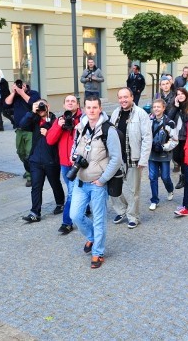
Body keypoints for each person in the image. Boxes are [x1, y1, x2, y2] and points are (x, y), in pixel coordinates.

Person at [70, 96, 122, 269]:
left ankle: (98, 253)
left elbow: (116, 159)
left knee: (99, 219)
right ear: (84, 109)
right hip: (80, 181)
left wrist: (103, 180)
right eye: (88, 107)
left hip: (97, 183)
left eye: (94, 107)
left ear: (100, 108)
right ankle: (92, 237)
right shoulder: (80, 126)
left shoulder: (109, 130)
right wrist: (73, 158)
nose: (91, 110)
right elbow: (74, 147)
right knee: (75, 215)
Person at [110, 88, 152, 229]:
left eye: (126, 97)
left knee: (134, 190)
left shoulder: (141, 114)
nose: (123, 100)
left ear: (132, 97)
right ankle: (121, 210)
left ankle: (133, 216)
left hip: (133, 157)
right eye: (120, 97)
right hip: (116, 158)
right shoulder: (115, 113)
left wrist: (143, 159)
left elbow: (147, 138)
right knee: (114, 188)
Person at [19, 99, 65, 223]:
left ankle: (60, 203)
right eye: (38, 107)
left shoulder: (56, 121)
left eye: (42, 106)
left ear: (48, 106)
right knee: (36, 187)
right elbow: (22, 125)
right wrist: (31, 112)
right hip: (35, 160)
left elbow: (58, 136)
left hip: (51, 160)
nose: (41, 110)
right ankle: (35, 212)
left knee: (55, 183)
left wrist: (48, 132)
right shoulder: (34, 120)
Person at [46, 95, 82, 234]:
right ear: (64, 105)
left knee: (72, 193)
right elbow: (50, 140)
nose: (70, 103)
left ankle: (67, 222)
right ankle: (85, 208)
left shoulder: (83, 119)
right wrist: (59, 127)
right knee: (74, 189)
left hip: (78, 162)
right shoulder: (59, 120)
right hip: (64, 163)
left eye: (73, 101)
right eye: (67, 101)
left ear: (77, 105)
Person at [5, 80, 41, 187]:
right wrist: (13, 93)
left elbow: (33, 103)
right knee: (20, 152)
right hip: (19, 129)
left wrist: (22, 93)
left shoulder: (33, 93)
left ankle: (31, 176)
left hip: (30, 129)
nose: (21, 86)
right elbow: (6, 104)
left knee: (29, 152)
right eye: (18, 85)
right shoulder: (15, 96)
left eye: (22, 85)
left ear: (26, 85)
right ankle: (28, 168)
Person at [148, 99, 179, 210]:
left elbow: (175, 140)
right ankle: (154, 199)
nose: (156, 109)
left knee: (165, 177)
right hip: (151, 154)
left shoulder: (169, 123)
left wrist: (163, 147)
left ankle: (170, 189)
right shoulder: (148, 120)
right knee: (152, 177)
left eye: (158, 107)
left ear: (163, 108)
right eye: (154, 107)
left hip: (164, 154)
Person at [167, 88, 188, 191]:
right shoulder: (175, 105)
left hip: (186, 136)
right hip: (176, 135)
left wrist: (181, 109)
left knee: (183, 157)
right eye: (178, 94)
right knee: (176, 157)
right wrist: (176, 107)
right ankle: (186, 174)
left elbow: (187, 119)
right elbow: (169, 118)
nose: (180, 96)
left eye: (182, 94)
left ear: (186, 95)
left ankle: (183, 178)